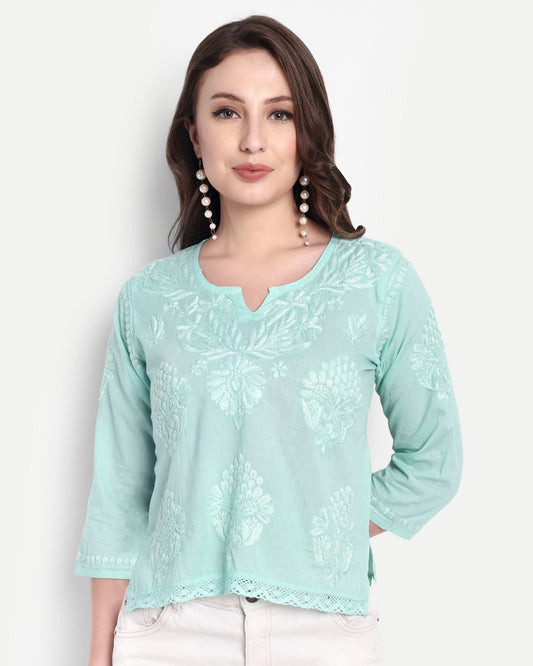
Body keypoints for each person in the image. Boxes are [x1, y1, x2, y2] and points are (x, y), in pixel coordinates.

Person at [75, 14, 463, 666]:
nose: (253, 139)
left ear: (307, 130)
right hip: (171, 631)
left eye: (279, 114)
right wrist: (98, 653)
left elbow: (434, 461)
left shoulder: (377, 282)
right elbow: (118, 497)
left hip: (323, 631)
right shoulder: (149, 300)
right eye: (227, 113)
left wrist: (317, 526)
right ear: (194, 135)